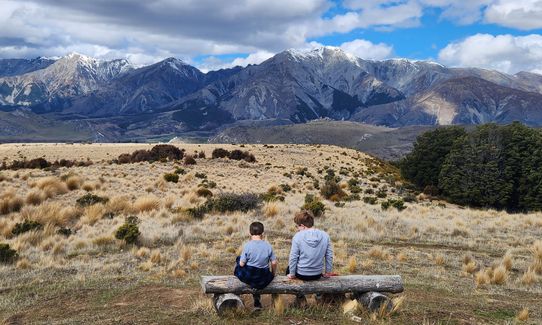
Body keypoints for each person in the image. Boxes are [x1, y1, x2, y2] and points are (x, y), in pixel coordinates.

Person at [286, 210, 333, 306]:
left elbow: (293, 257)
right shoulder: (325, 235)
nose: (297, 229)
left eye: (297, 226)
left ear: (302, 226)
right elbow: (329, 255)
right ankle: (319, 296)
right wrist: (328, 272)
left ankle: (300, 297)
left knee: (288, 269)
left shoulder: (297, 237)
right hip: (317, 274)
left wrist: (291, 274)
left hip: (302, 274)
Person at [234, 221, 277, 310]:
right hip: (263, 277)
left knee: (238, 261)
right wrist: (272, 274)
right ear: (263, 233)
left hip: (250, 276)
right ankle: (257, 298)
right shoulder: (268, 246)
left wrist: (239, 262)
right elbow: (274, 262)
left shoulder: (247, 245)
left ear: (250, 233)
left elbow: (242, 264)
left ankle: (237, 293)